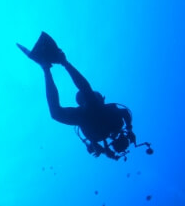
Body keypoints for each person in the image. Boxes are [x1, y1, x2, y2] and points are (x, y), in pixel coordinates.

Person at [18, 32, 152, 160]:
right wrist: (129, 128)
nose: (116, 138)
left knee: (56, 114)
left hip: (84, 116)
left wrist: (101, 149)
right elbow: (124, 112)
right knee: (87, 92)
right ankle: (62, 62)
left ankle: (46, 67)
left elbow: (93, 143)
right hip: (94, 109)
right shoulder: (117, 123)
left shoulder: (99, 137)